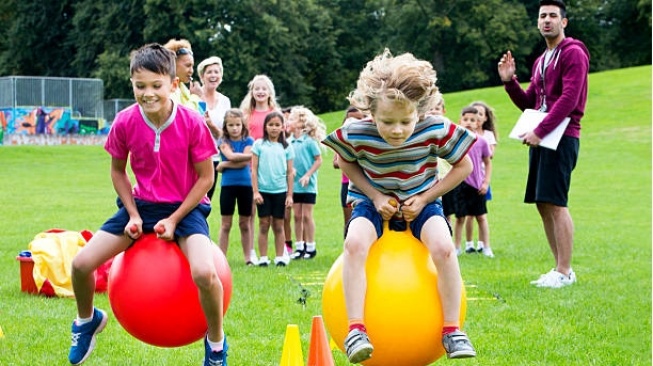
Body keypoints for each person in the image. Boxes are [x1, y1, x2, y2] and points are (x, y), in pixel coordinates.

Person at [67, 44, 228, 366]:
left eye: (156, 86)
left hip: (186, 208)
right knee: (81, 265)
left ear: (173, 84)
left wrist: (174, 218)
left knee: (205, 273)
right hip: (141, 205)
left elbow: (206, 179)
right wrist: (133, 213)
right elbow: (117, 171)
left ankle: (216, 344)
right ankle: (87, 322)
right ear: (132, 84)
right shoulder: (125, 121)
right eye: (140, 86)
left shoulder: (191, 122)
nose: (148, 93)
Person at [322, 49, 477, 363]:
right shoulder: (358, 132)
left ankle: (452, 330)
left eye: (405, 121)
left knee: (445, 248)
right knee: (354, 243)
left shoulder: (434, 128)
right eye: (386, 121)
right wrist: (376, 197)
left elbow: (465, 167)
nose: (396, 130)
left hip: (423, 203)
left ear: (418, 110)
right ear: (371, 113)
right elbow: (343, 162)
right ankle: (355, 330)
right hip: (370, 202)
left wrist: (425, 197)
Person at [498, 0, 589, 288]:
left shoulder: (573, 53)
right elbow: (530, 103)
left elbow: (569, 99)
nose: (546, 20)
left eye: (552, 15)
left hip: (562, 136)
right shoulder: (540, 61)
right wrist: (510, 81)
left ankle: (565, 271)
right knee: (543, 202)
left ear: (564, 22)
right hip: (542, 136)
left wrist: (540, 130)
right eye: (542, 16)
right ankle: (558, 269)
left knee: (557, 203)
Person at [251, 111, 294, 267]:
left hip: (280, 191)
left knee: (279, 224)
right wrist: (255, 191)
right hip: (263, 191)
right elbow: (254, 170)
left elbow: (290, 173)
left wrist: (290, 195)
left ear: (283, 127)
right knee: (263, 224)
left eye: (277, 125)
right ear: (265, 127)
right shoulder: (258, 145)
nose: (274, 128)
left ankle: (280, 256)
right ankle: (263, 257)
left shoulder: (287, 147)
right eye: (271, 125)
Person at [452, 107, 493, 258]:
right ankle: (456, 247)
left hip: (477, 185)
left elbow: (488, 163)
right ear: (460, 121)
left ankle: (486, 247)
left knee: (481, 216)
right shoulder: (455, 140)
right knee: (460, 218)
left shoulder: (482, 142)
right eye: (466, 119)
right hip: (459, 185)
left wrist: (485, 182)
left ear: (478, 123)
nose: (469, 123)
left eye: (473, 120)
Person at [216, 109, 256, 265]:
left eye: (237, 125)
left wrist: (224, 164)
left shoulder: (248, 141)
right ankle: (221, 259)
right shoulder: (223, 141)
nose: (234, 128)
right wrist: (247, 156)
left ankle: (248, 258)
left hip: (246, 185)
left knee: (245, 223)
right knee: (226, 223)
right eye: (231, 125)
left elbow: (245, 161)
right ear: (226, 126)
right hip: (228, 186)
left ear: (242, 125)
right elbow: (235, 156)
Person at [287, 106, 326, 259]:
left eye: (291, 119)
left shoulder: (309, 141)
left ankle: (311, 247)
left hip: (308, 186)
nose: (288, 121)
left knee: (307, 216)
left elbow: (318, 160)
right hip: (294, 185)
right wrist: (290, 169)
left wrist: (308, 175)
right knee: (297, 216)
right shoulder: (289, 142)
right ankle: (299, 247)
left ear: (300, 123)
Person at [464, 101, 498, 255]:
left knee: (481, 214)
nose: (475, 117)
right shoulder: (463, 134)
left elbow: (490, 155)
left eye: (480, 114)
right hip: (465, 181)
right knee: (468, 215)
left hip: (481, 179)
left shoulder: (486, 136)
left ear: (484, 119)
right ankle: (469, 243)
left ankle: (484, 244)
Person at [197, 56, 232, 200]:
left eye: (216, 72)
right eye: (209, 72)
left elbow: (226, 135)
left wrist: (211, 125)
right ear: (202, 76)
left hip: (215, 157)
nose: (213, 75)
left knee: (206, 202)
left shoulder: (225, 101)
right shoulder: (195, 98)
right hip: (196, 157)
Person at [333, 107, 366, 238]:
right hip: (347, 185)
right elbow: (335, 163)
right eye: (350, 119)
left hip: (364, 185)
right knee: (348, 220)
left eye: (358, 118)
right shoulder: (343, 141)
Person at [163, 38, 202, 112]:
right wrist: (196, 96)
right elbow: (182, 116)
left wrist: (200, 99)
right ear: (173, 64)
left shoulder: (183, 90)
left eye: (192, 66)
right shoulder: (167, 89)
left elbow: (201, 116)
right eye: (188, 65)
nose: (191, 71)